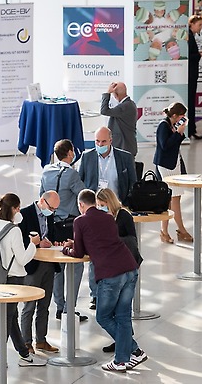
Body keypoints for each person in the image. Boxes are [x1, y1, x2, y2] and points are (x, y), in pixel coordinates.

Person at [61, 189, 147, 372]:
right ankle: (123, 360)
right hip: (130, 268)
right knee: (123, 316)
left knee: (103, 316)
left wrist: (67, 249)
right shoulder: (108, 218)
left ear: (81, 205)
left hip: (111, 273)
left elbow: (78, 253)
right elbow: (103, 241)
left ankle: (133, 352)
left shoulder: (79, 221)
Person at [78, 126, 137, 309]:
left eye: (103, 141)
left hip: (116, 212)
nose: (100, 144)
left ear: (111, 140)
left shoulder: (125, 157)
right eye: (97, 141)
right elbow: (81, 184)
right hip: (95, 214)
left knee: (116, 250)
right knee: (95, 254)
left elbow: (132, 184)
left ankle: (117, 291)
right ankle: (96, 295)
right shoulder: (87, 157)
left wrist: (126, 207)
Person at [0, 193, 47, 370]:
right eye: (18, 208)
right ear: (13, 209)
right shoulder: (13, 230)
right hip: (13, 279)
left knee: (11, 316)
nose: (20, 211)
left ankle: (24, 354)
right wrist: (33, 243)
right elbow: (22, 259)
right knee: (7, 318)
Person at [39, 139, 87, 322]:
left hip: (53, 225)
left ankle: (59, 306)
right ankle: (69, 309)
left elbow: (41, 196)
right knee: (76, 265)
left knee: (57, 267)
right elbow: (83, 195)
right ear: (70, 153)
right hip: (70, 224)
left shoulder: (46, 172)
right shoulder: (72, 175)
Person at [95, 187, 143, 354]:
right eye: (98, 205)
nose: (100, 207)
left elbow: (132, 239)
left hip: (125, 266)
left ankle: (127, 344)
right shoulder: (101, 218)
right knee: (118, 311)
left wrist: (112, 240)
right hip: (111, 266)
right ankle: (123, 342)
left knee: (120, 312)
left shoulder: (123, 215)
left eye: (103, 204)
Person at [18, 191, 59, 355]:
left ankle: (41, 340)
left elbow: (51, 233)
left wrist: (51, 241)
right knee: (29, 306)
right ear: (42, 200)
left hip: (48, 263)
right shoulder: (25, 214)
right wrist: (36, 243)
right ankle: (26, 342)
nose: (52, 212)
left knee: (45, 305)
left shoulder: (50, 215)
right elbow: (19, 239)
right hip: (32, 265)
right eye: (51, 208)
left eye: (55, 209)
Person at [153, 102, 193, 244]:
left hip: (174, 163)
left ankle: (165, 230)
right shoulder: (163, 126)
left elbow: (175, 143)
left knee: (173, 198)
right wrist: (177, 133)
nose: (183, 118)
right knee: (173, 197)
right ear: (175, 115)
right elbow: (165, 145)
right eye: (181, 116)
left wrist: (179, 133)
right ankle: (180, 229)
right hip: (166, 166)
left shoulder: (171, 125)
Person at [187, 14, 202, 140]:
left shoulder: (191, 36)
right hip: (190, 75)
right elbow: (189, 56)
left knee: (191, 102)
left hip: (191, 74)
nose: (201, 27)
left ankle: (191, 128)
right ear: (192, 24)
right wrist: (199, 55)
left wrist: (199, 53)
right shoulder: (189, 36)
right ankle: (190, 129)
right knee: (190, 102)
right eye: (199, 25)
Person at [100, 82, 138, 157]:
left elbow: (104, 111)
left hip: (124, 147)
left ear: (115, 94)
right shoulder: (129, 104)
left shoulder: (125, 106)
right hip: (126, 146)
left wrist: (107, 93)